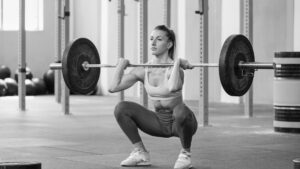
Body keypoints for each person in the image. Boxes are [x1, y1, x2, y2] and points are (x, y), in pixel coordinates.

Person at [108, 25, 198, 169]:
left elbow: (173, 87)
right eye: (151, 39)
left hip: (180, 124)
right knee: (121, 108)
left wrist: (177, 63)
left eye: (158, 39)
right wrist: (121, 66)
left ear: (169, 44)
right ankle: (140, 153)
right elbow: (113, 88)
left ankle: (185, 154)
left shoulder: (175, 70)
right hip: (158, 123)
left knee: (181, 110)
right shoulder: (144, 69)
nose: (153, 43)